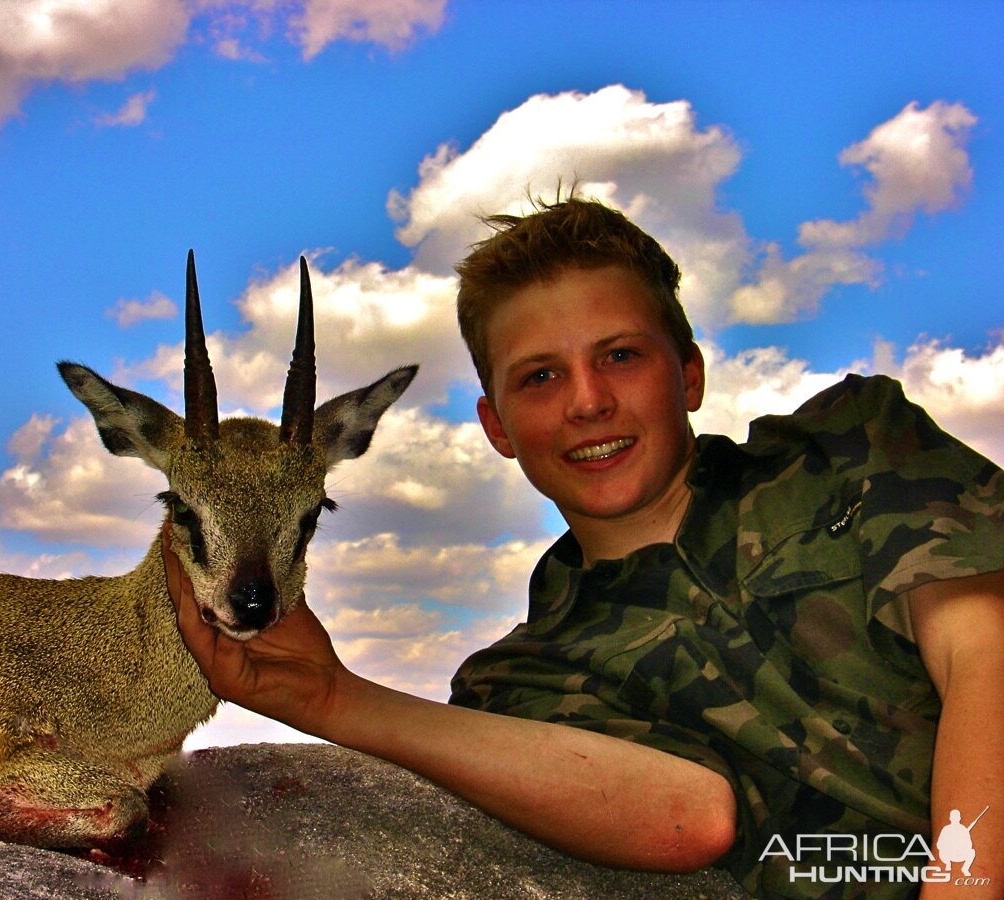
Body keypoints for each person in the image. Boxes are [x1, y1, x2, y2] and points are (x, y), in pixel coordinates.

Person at [164, 198, 1003, 897]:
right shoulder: (519, 682)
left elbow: (983, 649)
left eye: (622, 357)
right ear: (496, 427)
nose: (589, 402)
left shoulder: (848, 442)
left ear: (691, 374)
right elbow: (694, 814)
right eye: (540, 377)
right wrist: (337, 702)